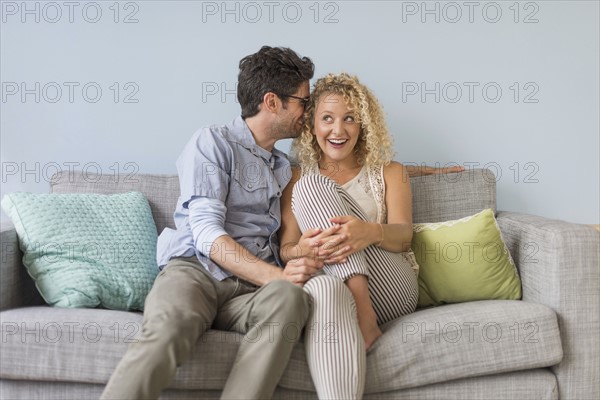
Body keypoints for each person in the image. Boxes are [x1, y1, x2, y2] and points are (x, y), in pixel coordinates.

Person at [101, 46, 325, 400]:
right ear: (271, 102)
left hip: (249, 293)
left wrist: (298, 256)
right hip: (197, 274)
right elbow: (206, 234)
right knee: (170, 326)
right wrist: (274, 276)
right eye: (302, 101)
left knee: (289, 297)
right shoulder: (213, 143)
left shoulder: (284, 166)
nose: (307, 111)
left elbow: (362, 171)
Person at [280, 73, 424, 361]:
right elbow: (286, 251)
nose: (338, 130)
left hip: (390, 288)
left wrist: (369, 232)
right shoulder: (296, 179)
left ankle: (365, 319)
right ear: (312, 125)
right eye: (328, 118)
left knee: (312, 184)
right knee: (311, 184)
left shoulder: (390, 172)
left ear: (363, 126)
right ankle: (350, 329)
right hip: (332, 291)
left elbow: (405, 236)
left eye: (349, 118)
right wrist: (302, 250)